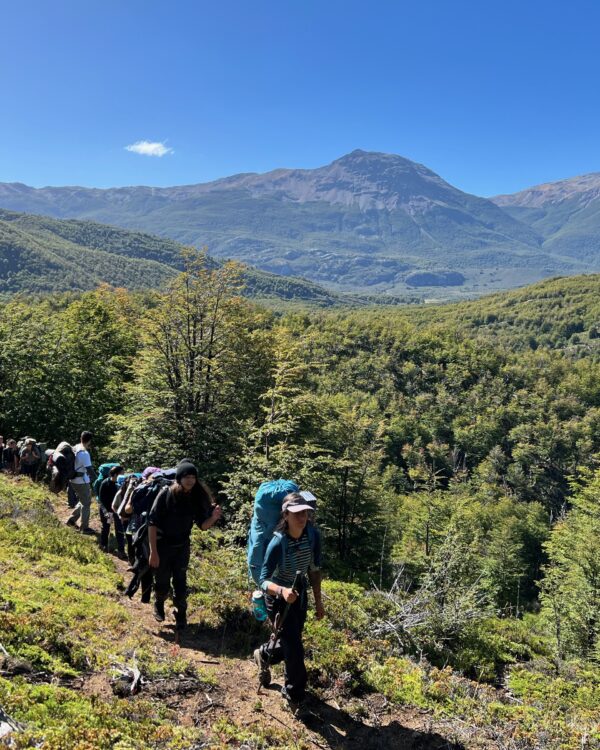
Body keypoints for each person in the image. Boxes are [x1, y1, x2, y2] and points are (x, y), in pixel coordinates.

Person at [254, 493, 325, 705]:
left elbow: (314, 571)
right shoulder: (278, 543)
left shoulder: (312, 536)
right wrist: (282, 591)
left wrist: (319, 602)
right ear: (286, 515)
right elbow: (263, 580)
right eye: (296, 513)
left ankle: (265, 655)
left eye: (304, 512)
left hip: (299, 594)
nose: (302, 517)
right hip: (277, 599)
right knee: (294, 646)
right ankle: (294, 695)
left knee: (291, 641)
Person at [148, 460, 222, 630]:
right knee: (162, 581)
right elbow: (152, 523)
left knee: (181, 581)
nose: (190, 480)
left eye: (193, 477)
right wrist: (153, 552)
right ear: (179, 478)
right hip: (163, 545)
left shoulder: (196, 498)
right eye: (186, 477)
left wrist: (213, 518)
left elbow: (202, 526)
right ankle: (159, 603)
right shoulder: (166, 494)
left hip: (182, 546)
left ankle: (181, 613)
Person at [65, 431, 97, 534]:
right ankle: (84, 528)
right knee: (86, 503)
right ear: (90, 441)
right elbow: (89, 469)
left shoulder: (75, 447)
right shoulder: (84, 453)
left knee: (83, 501)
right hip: (81, 481)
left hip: (73, 479)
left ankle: (71, 520)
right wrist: (96, 480)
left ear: (81, 438)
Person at [98, 464, 126, 557]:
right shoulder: (105, 483)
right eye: (121, 473)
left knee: (119, 529)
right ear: (114, 475)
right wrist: (106, 512)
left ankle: (121, 550)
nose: (123, 475)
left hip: (117, 510)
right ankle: (104, 545)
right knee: (106, 527)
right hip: (107, 510)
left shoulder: (122, 483)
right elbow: (101, 500)